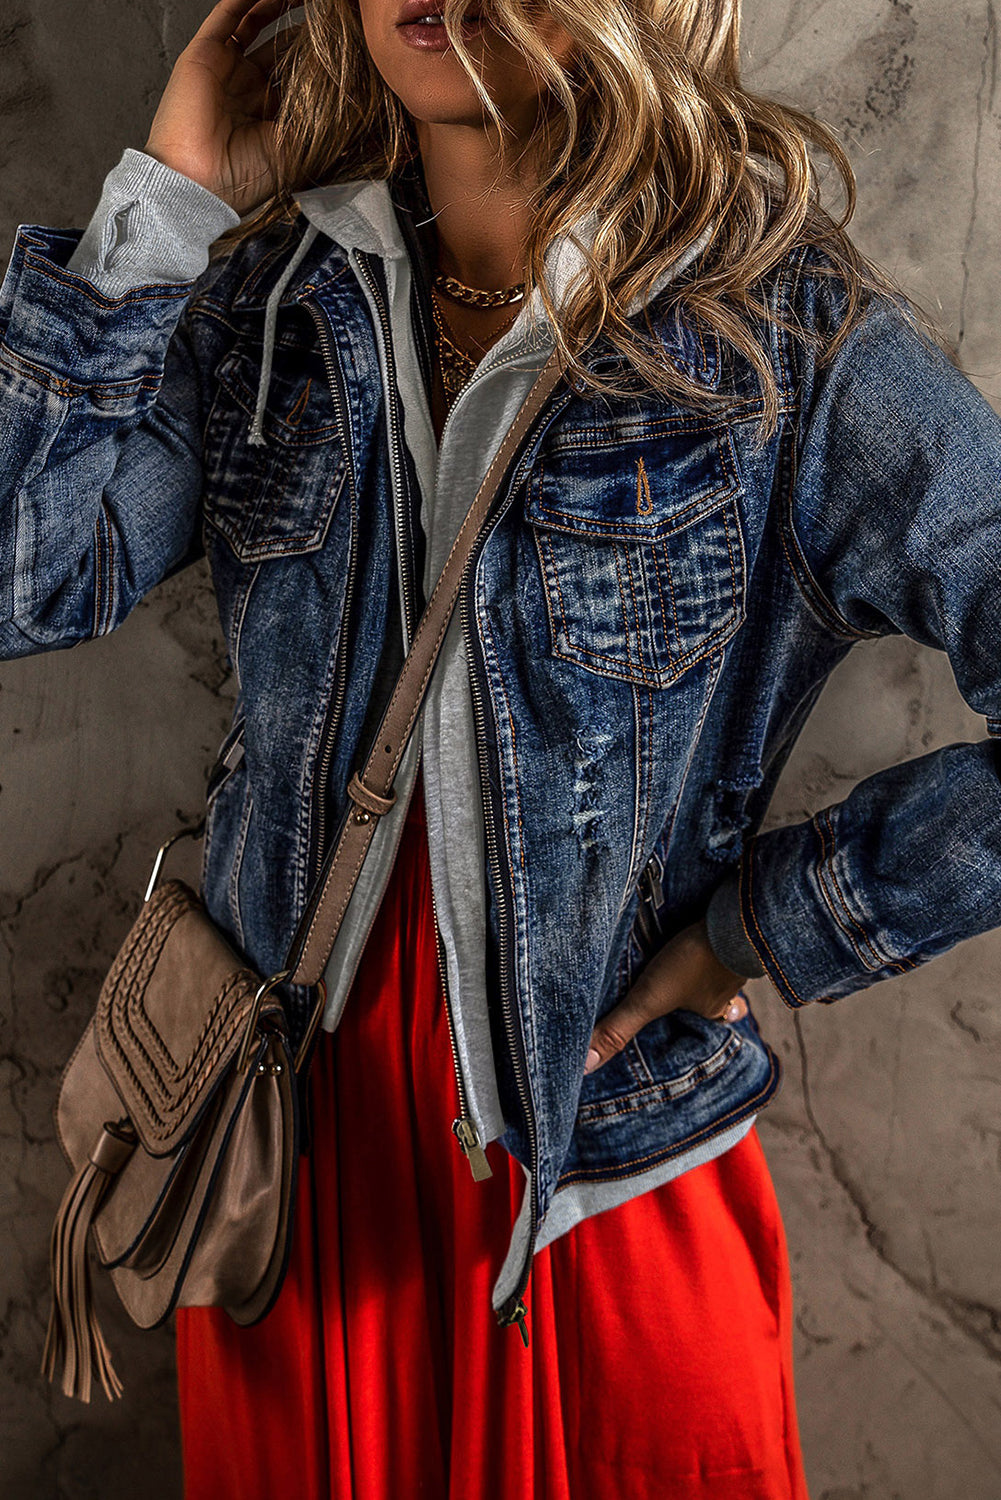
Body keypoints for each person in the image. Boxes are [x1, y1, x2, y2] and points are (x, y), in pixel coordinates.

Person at [2, 0, 1000, 1494]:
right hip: (289, 1172)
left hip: (600, 1177)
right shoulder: (273, 308)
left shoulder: (777, 333)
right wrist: (166, 206)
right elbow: (23, 575)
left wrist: (770, 926)